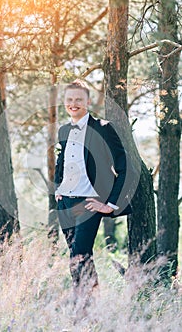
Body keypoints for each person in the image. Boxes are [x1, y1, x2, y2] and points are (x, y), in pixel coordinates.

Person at [54, 79, 132, 301]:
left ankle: (81, 305)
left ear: (87, 101)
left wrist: (110, 204)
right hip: (65, 203)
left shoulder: (104, 129)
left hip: (89, 203)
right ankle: (92, 304)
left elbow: (124, 166)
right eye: (69, 99)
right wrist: (58, 188)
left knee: (78, 254)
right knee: (79, 256)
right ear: (65, 102)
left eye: (79, 99)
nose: (74, 103)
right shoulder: (64, 130)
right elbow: (62, 160)